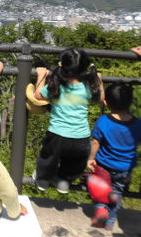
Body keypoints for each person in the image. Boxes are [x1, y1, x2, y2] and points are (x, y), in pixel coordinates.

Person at [33, 48, 104, 194]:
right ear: (85, 68)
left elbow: (38, 95)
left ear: (62, 66)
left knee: (47, 159)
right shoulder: (88, 87)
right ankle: (64, 182)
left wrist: (41, 75)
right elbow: (101, 98)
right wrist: (99, 80)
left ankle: (43, 180)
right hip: (81, 137)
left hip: (57, 135)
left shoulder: (57, 85)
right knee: (74, 164)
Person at [87, 82, 141, 230]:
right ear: (130, 102)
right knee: (116, 193)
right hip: (124, 168)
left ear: (106, 102)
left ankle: (101, 209)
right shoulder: (138, 124)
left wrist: (91, 159)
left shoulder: (103, 121)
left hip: (103, 165)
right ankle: (110, 222)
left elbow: (96, 143)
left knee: (100, 190)